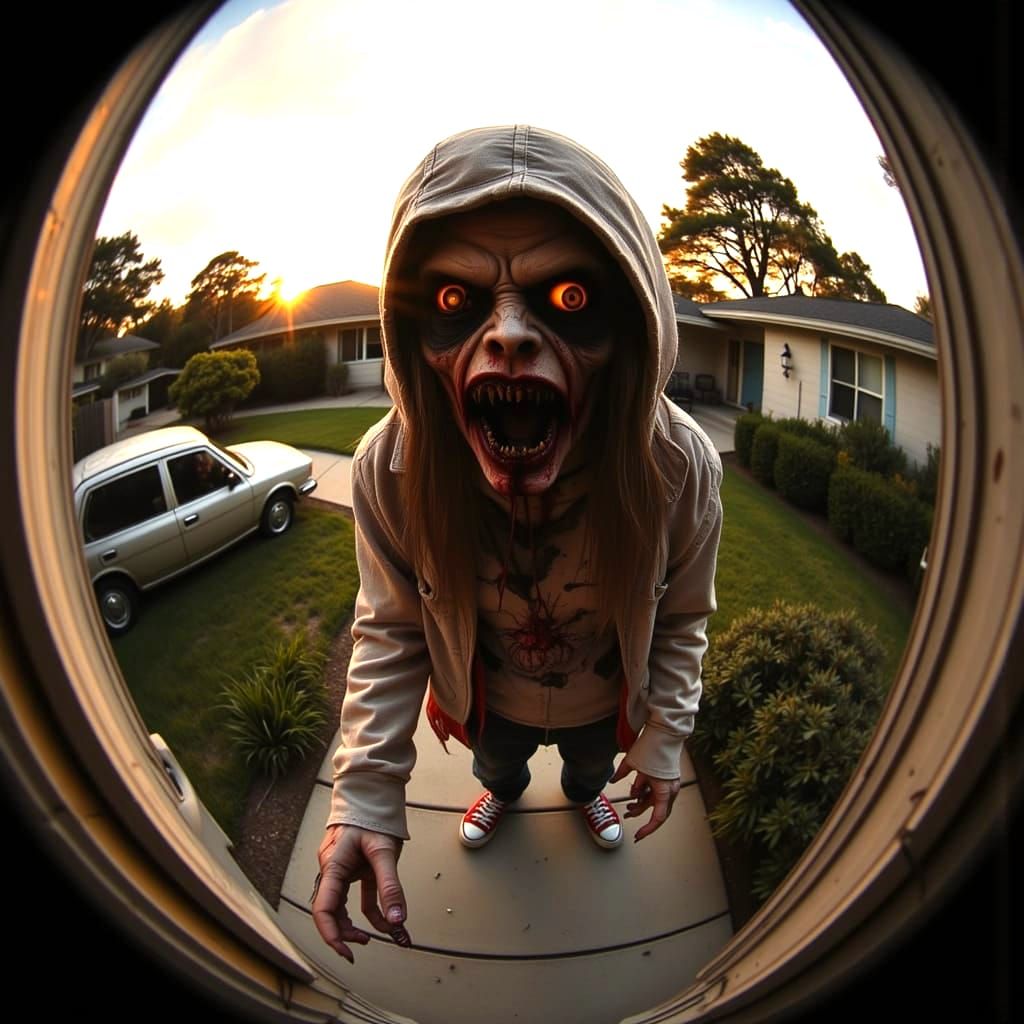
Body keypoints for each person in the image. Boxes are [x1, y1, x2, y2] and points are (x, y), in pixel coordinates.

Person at [312, 125, 723, 962]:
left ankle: (584, 798)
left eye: (569, 297)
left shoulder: (677, 468)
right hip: (490, 703)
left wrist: (662, 739)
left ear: (633, 323)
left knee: (586, 769)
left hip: (598, 709)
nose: (507, 334)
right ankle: (499, 793)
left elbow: (684, 616)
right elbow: (389, 628)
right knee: (496, 766)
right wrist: (365, 793)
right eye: (454, 302)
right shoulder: (392, 471)